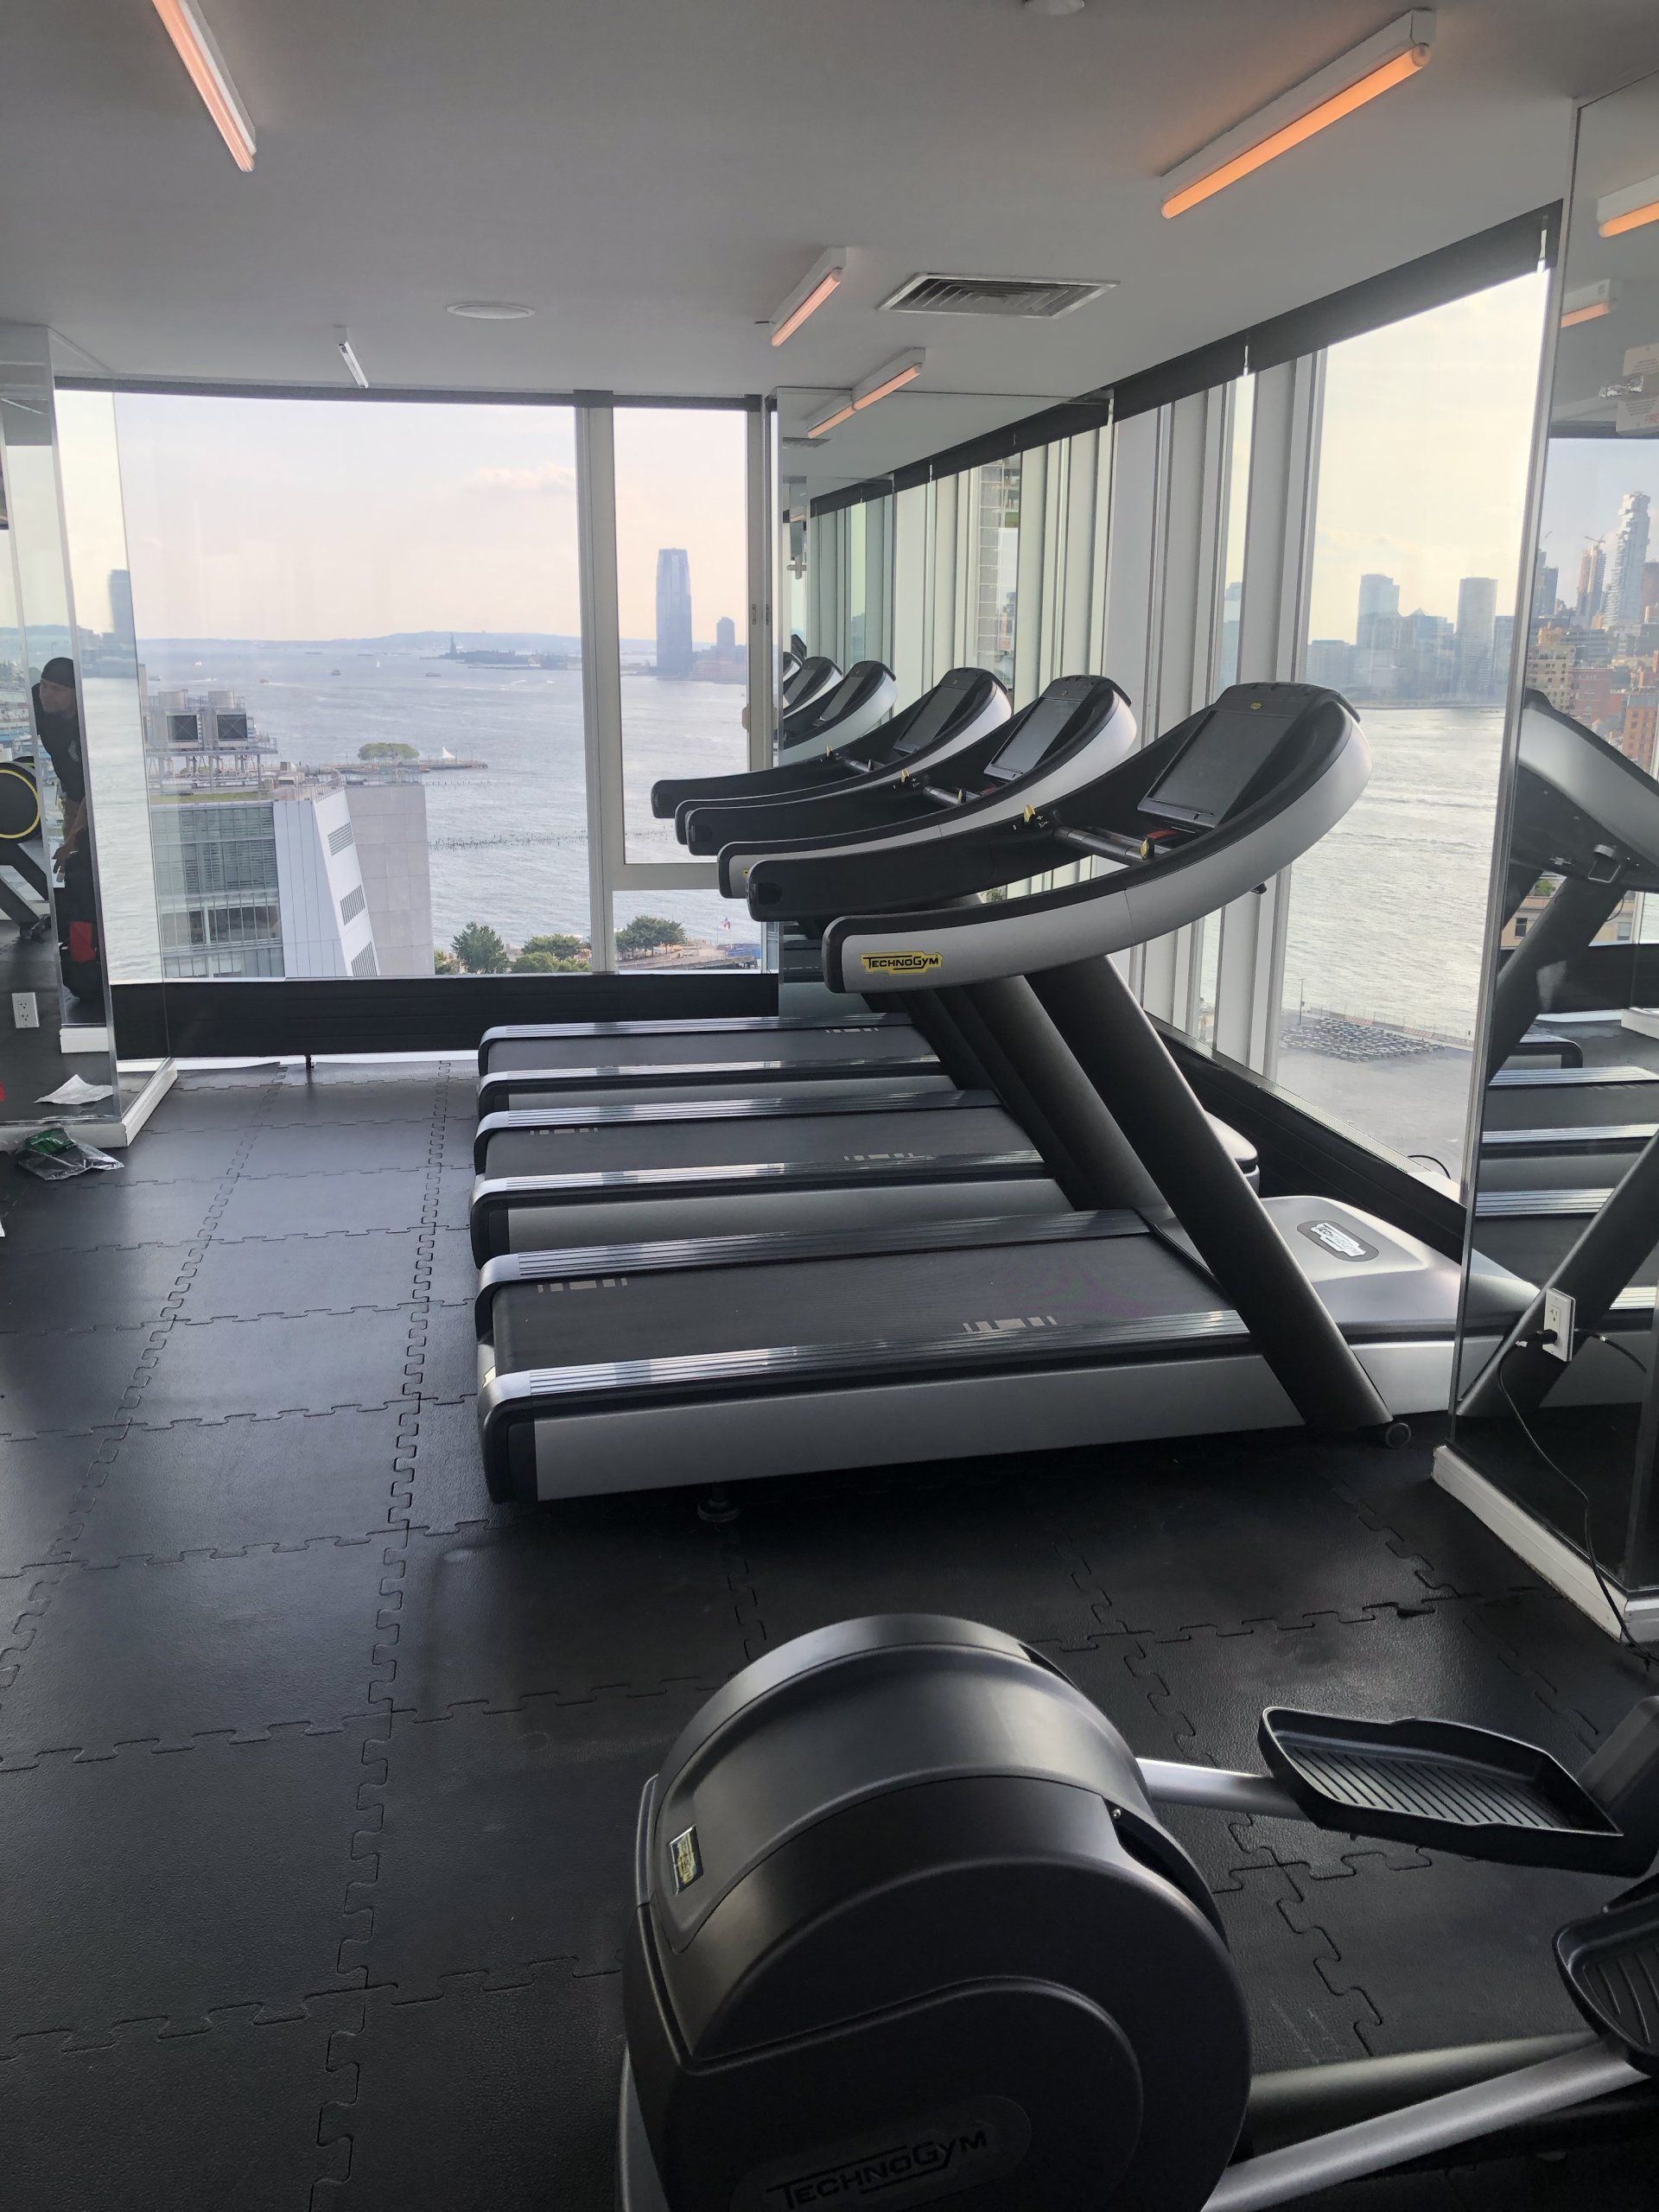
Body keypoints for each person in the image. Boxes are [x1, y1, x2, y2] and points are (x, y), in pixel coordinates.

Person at [29, 657, 86, 869]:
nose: (46, 694)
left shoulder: (85, 727)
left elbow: (90, 796)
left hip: (88, 796)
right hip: (70, 788)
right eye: (44, 685)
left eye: (57, 689)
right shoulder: (38, 700)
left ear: (75, 693)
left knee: (77, 852)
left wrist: (71, 842)